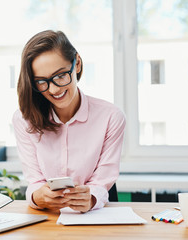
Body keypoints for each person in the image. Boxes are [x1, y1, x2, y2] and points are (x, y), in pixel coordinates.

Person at [12, 30, 126, 213]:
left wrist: (90, 199)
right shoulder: (24, 120)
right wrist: (37, 196)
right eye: (42, 81)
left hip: (93, 217)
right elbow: (35, 182)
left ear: (77, 64)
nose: (54, 89)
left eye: (60, 76)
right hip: (48, 220)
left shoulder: (111, 117)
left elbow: (102, 181)